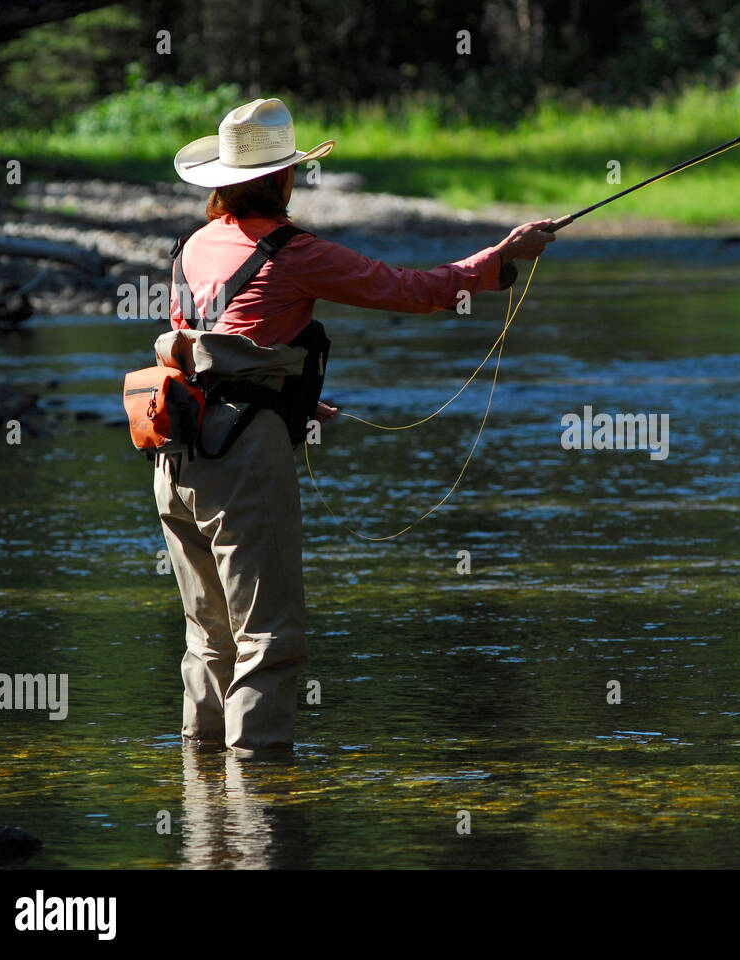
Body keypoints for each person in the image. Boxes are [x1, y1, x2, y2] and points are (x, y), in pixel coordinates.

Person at [156, 98, 554, 756]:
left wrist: (291, 398)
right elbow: (415, 290)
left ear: (222, 183)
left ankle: (204, 812)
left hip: (176, 455)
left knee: (209, 636)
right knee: (267, 637)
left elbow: (206, 344)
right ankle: (262, 807)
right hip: (242, 457)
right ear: (285, 179)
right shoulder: (295, 253)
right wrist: (503, 256)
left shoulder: (193, 246)